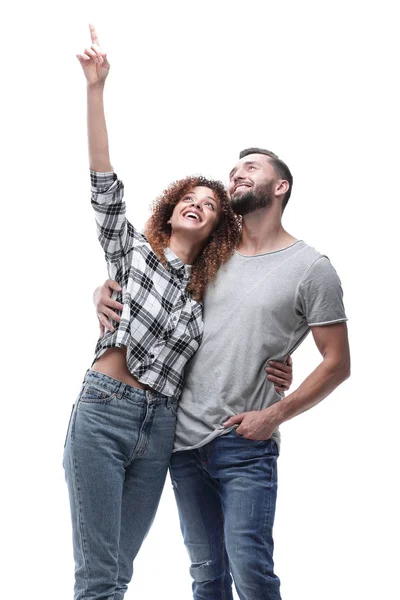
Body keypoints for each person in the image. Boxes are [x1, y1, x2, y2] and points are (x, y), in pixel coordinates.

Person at [63, 25, 293, 600]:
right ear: (170, 210)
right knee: (97, 576)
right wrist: (96, 88)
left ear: (217, 226)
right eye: (190, 197)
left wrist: (278, 365)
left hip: (162, 427)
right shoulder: (131, 253)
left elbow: (243, 332)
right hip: (104, 412)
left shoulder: (204, 290)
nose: (199, 203)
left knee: (119, 572)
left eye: (211, 204)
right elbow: (103, 184)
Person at [96, 149, 350, 599]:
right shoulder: (211, 256)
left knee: (251, 570)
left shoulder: (312, 269)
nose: (236, 175)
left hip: (245, 442)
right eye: (233, 171)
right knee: (207, 577)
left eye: (250, 168)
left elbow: (337, 362)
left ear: (280, 186)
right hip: (180, 442)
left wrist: (275, 414)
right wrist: (102, 290)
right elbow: (149, 280)